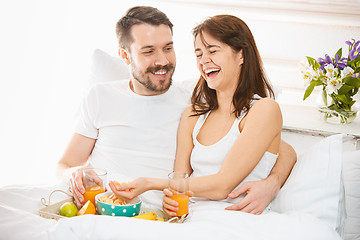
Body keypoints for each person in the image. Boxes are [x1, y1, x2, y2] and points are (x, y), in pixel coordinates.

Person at [57, 6, 296, 213]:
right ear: (125, 55)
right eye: (149, 51)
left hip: (165, 210)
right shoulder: (100, 96)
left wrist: (272, 183)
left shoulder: (194, 96)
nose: (162, 61)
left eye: (168, 48)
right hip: (107, 206)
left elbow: (277, 146)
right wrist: (73, 175)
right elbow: (65, 165)